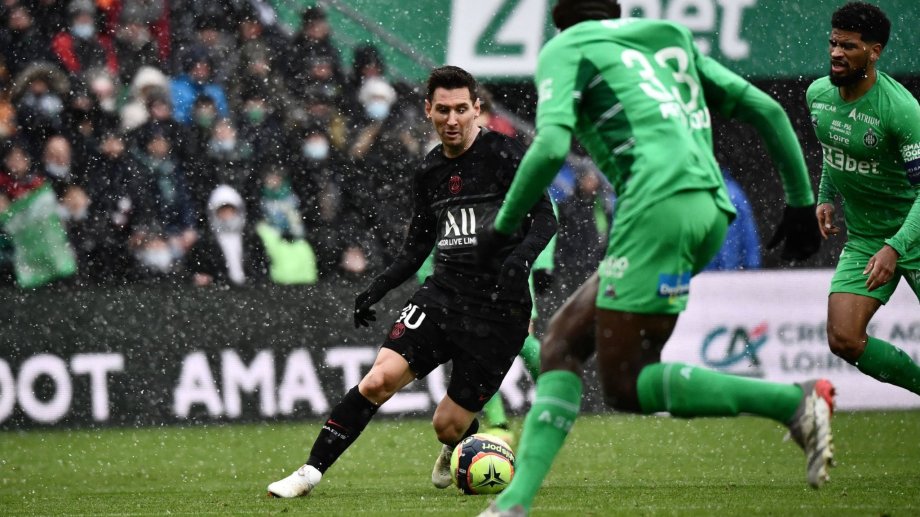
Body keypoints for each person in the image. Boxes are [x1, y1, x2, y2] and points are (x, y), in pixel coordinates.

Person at [475, 2, 829, 515]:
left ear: (560, 16)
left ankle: (792, 402)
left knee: (625, 384)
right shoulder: (666, 35)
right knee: (562, 342)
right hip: (709, 208)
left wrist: (503, 226)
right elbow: (767, 110)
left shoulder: (567, 47)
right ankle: (513, 504)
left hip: (655, 207)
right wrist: (798, 200)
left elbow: (551, 146)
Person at [265, 65, 557, 498]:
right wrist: (378, 286)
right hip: (444, 296)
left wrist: (520, 260)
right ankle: (308, 473)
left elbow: (546, 218)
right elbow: (418, 245)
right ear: (428, 111)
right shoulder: (429, 170)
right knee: (377, 381)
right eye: (444, 110)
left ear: (477, 109)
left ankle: (458, 442)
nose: (453, 119)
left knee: (447, 425)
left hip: (499, 310)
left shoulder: (506, 154)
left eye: (462, 109)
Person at [810, 3, 920, 397]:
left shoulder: (901, 110)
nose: (836, 53)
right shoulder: (818, 95)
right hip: (867, 238)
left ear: (874, 52)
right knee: (843, 337)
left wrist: (896, 246)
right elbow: (834, 148)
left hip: (913, 233)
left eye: (849, 47)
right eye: (833, 43)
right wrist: (825, 196)